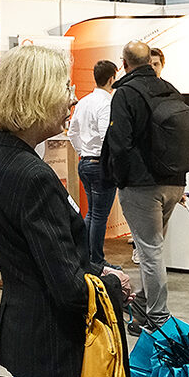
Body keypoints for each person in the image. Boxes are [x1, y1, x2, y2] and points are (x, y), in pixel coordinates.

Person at [0, 45, 150, 377]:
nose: (71, 100)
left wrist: (97, 269)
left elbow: (39, 257)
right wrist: (112, 284)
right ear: (35, 98)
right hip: (53, 347)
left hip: (22, 336)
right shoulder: (32, 176)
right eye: (63, 90)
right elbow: (68, 287)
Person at [104, 40, 189, 324]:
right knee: (152, 248)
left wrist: (120, 179)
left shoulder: (125, 93)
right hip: (174, 182)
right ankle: (143, 305)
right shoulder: (170, 89)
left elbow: (119, 143)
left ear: (124, 64)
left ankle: (158, 318)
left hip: (142, 186)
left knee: (149, 251)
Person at [70, 59, 118, 266]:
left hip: (85, 162)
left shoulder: (84, 101)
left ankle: (87, 258)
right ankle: (96, 260)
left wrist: (83, 152)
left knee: (92, 213)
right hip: (100, 165)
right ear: (112, 79)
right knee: (98, 215)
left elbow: (72, 132)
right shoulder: (106, 103)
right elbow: (107, 136)